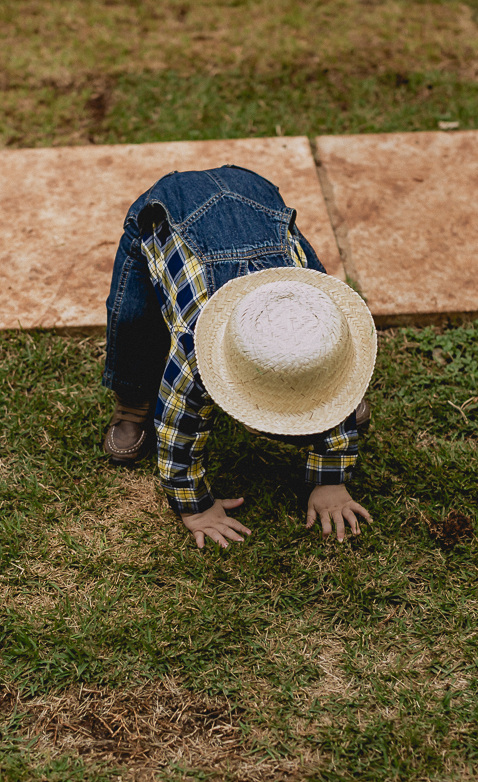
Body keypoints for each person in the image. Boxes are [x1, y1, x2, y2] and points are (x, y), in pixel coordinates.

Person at [101, 165, 377, 549]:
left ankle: (328, 408)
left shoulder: (320, 317)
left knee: (326, 350)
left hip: (258, 201)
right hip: (168, 213)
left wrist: (330, 480)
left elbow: (339, 372)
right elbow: (179, 428)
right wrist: (194, 506)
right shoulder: (199, 349)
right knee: (133, 322)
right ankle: (132, 403)